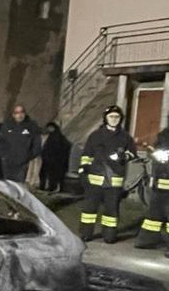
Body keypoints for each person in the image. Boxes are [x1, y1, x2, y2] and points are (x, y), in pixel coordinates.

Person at [78, 105, 137, 244]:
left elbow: (132, 153)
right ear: (105, 118)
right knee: (89, 211)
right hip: (95, 180)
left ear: (120, 119)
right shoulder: (96, 135)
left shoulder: (125, 137)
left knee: (111, 212)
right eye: (111, 116)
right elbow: (86, 155)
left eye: (117, 117)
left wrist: (124, 156)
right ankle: (85, 234)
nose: (114, 119)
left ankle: (109, 235)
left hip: (114, 181)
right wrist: (83, 172)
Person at [134, 120, 169, 257]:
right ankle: (146, 240)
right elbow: (156, 156)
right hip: (159, 184)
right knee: (153, 215)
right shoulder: (164, 136)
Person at [0, 105, 42, 182]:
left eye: (22, 112)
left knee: (18, 184)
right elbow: (0, 142)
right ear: (13, 115)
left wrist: (28, 156)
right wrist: (3, 156)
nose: (20, 115)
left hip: (22, 163)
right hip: (8, 162)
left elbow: (37, 143)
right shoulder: (7, 126)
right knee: (8, 184)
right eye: (17, 113)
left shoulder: (31, 126)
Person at [39, 122, 72, 192]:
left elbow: (61, 147)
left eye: (49, 128)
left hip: (54, 161)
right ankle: (50, 187)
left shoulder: (56, 137)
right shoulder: (54, 136)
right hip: (51, 160)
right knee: (50, 175)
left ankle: (52, 188)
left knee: (53, 175)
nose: (48, 129)